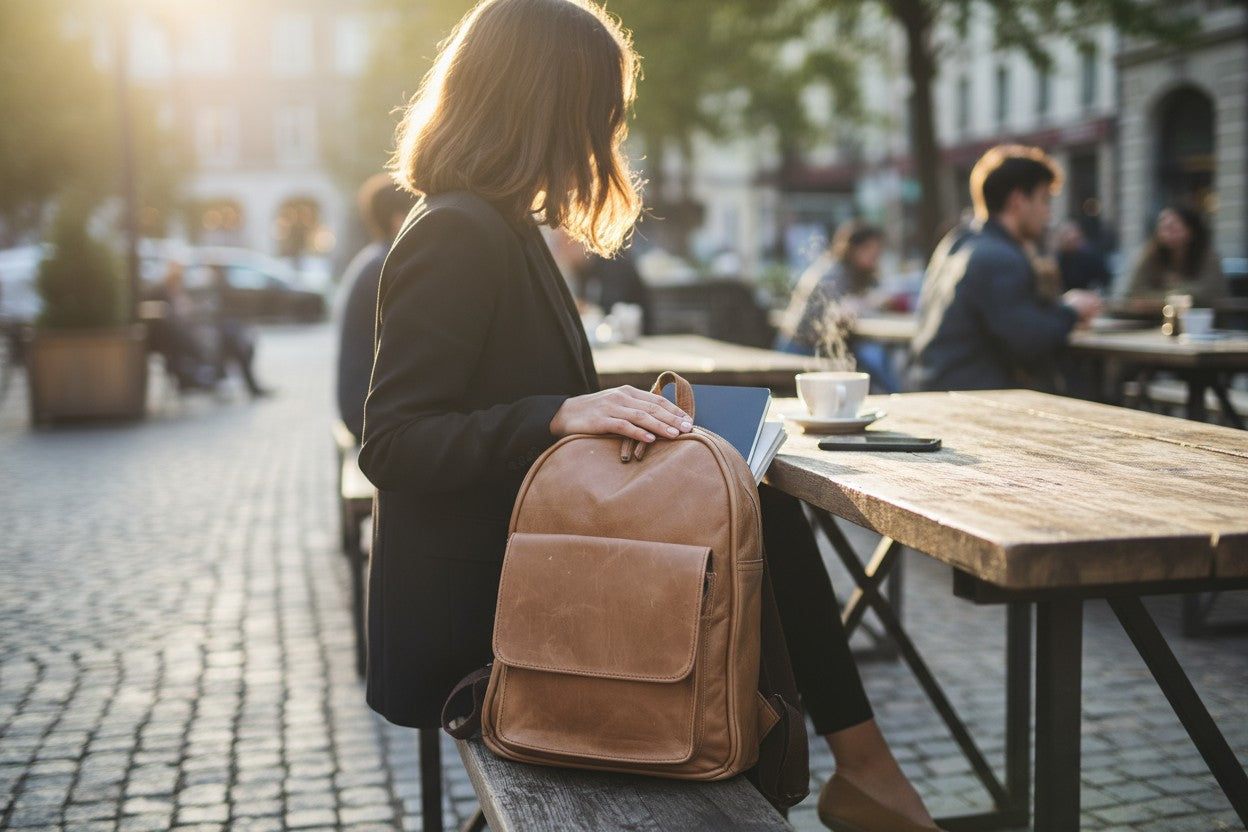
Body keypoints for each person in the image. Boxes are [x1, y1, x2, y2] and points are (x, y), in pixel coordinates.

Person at [358, 2, 941, 830]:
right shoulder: (457, 233)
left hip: (532, 564)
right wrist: (558, 413)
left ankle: (848, 764)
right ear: (548, 104)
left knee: (748, 488)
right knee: (752, 506)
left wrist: (607, 413)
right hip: (485, 623)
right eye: (602, 108)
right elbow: (394, 441)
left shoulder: (499, 227)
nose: (611, 131)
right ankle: (850, 766)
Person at [910, 145, 1103, 392]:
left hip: (934, 389)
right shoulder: (999, 257)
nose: (1048, 211)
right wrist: (1071, 311)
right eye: (1044, 199)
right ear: (1017, 201)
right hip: (973, 399)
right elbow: (1029, 342)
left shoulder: (956, 242)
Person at [336, 173, 418, 443]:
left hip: (358, 405)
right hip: (367, 414)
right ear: (398, 220)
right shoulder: (389, 265)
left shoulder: (374, 259)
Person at [774, 221, 901, 392]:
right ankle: (896, 396)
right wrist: (869, 302)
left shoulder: (848, 272)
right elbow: (840, 313)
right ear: (854, 249)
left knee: (873, 359)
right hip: (801, 350)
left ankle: (894, 396)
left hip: (816, 347)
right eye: (871, 250)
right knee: (873, 359)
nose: (875, 256)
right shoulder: (834, 274)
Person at [1125, 205, 1227, 306]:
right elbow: (1134, 292)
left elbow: (1207, 293)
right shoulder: (1151, 254)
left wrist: (1162, 298)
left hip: (1199, 318)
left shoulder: (1207, 256)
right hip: (1154, 319)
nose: (1164, 234)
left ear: (1190, 231)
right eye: (1162, 228)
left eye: (1171, 228)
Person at [1053, 218, 1111, 294]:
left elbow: (1104, 278)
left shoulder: (1090, 256)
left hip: (1087, 296)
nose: (1070, 239)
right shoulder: (1059, 258)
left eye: (1074, 239)